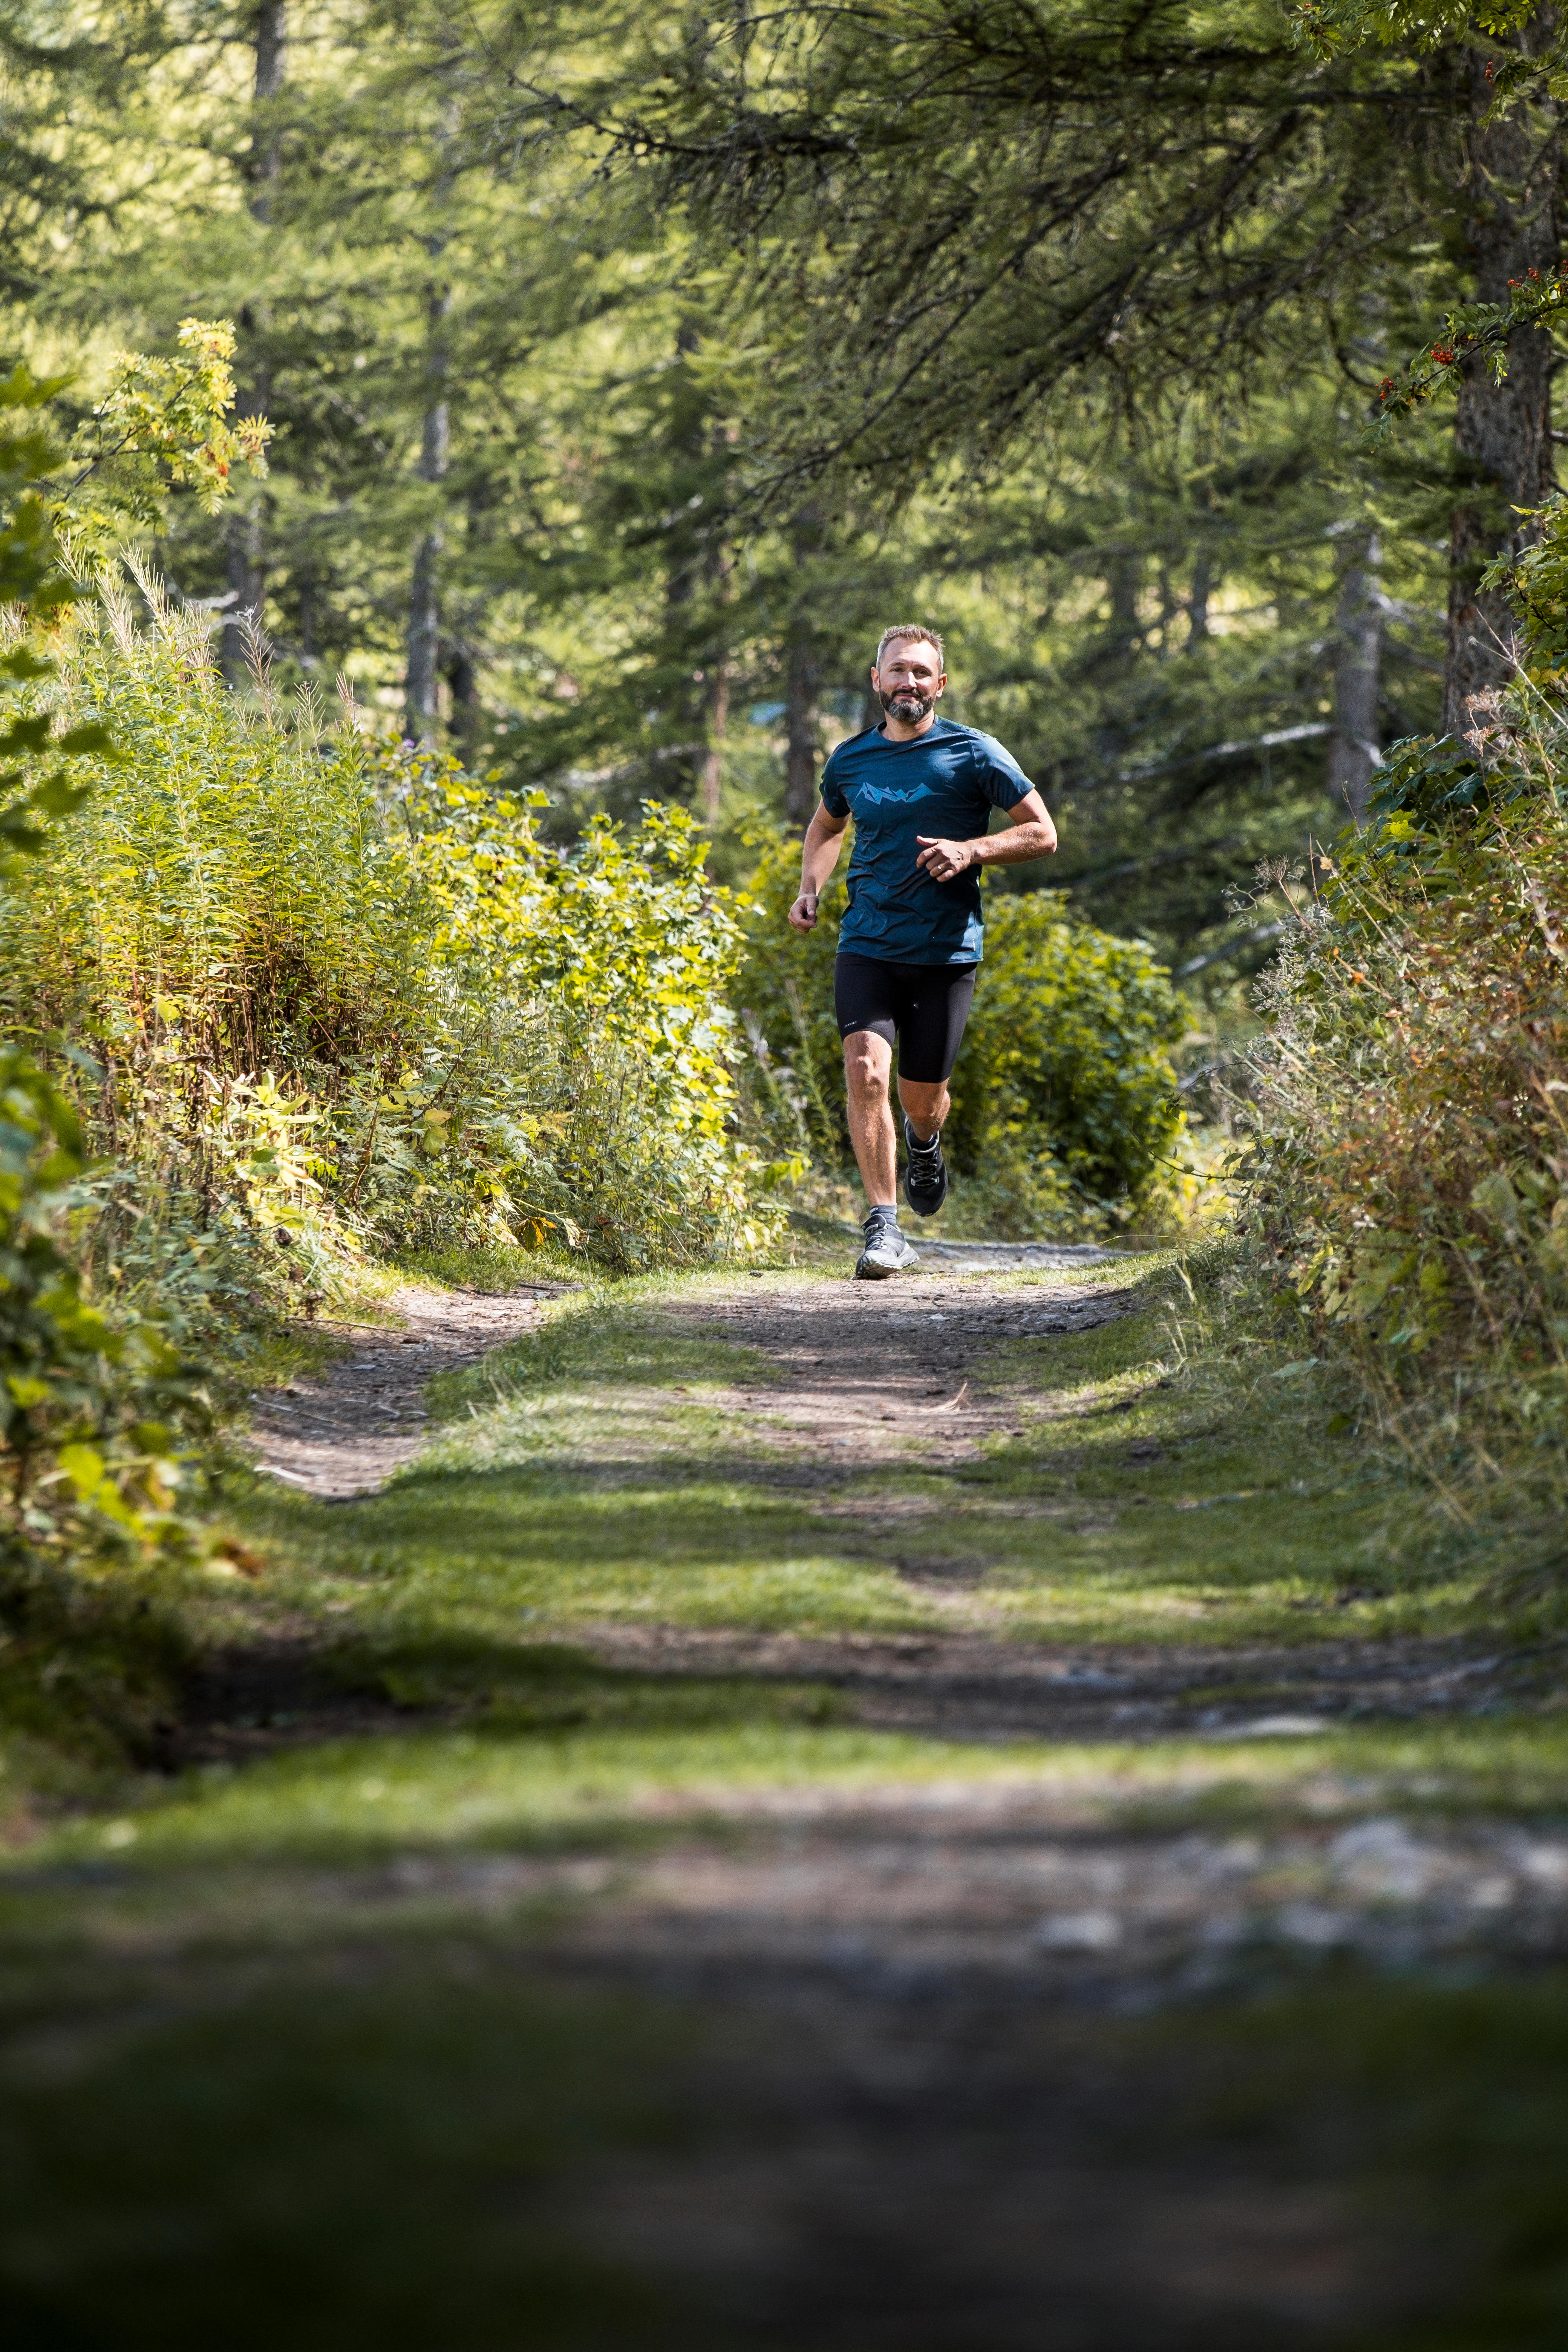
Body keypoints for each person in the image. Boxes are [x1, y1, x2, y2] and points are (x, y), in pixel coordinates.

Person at [788, 624, 1058, 1279]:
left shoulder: (975, 753)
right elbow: (828, 823)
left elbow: (1043, 833)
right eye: (897, 670)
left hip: (945, 952)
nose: (908, 682)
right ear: (876, 680)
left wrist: (972, 849)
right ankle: (884, 1227)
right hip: (868, 944)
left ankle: (925, 1141)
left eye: (920, 672)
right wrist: (810, 888)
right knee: (865, 1073)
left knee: (922, 1098)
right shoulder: (851, 760)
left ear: (940, 684)